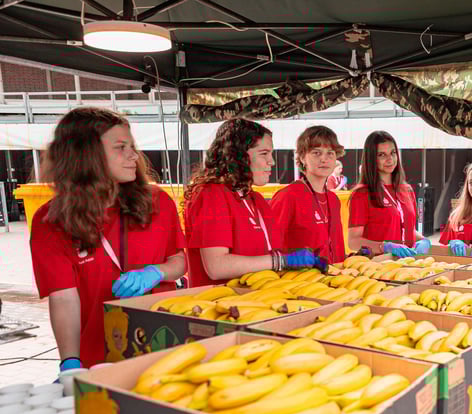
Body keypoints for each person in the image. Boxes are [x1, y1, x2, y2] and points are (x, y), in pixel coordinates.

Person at [30, 107, 186, 370]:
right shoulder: (52, 220)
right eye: (120, 147)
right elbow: (64, 298)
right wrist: (70, 360)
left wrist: (156, 272)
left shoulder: (158, 202)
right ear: (86, 155)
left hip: (165, 347)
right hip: (99, 358)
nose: (133, 155)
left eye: (132, 146)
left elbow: (180, 262)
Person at [184, 118, 321, 288]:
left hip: (262, 301)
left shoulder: (256, 200)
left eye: (271, 153)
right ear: (237, 155)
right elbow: (216, 267)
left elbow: (266, 256)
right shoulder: (211, 194)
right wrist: (282, 260)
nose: (271, 161)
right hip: (218, 306)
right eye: (264, 154)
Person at [270, 126, 346, 264]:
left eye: (330, 153)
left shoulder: (334, 200)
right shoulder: (288, 196)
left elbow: (336, 247)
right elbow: (268, 246)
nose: (324, 159)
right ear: (302, 158)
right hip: (299, 281)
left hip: (334, 280)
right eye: (316, 153)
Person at [348, 131, 429, 257]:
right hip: (378, 268)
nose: (390, 159)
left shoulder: (406, 190)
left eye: (393, 153)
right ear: (371, 159)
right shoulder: (362, 194)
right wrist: (383, 246)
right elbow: (353, 241)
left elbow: (406, 228)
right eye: (381, 155)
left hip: (409, 265)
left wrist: (423, 240)